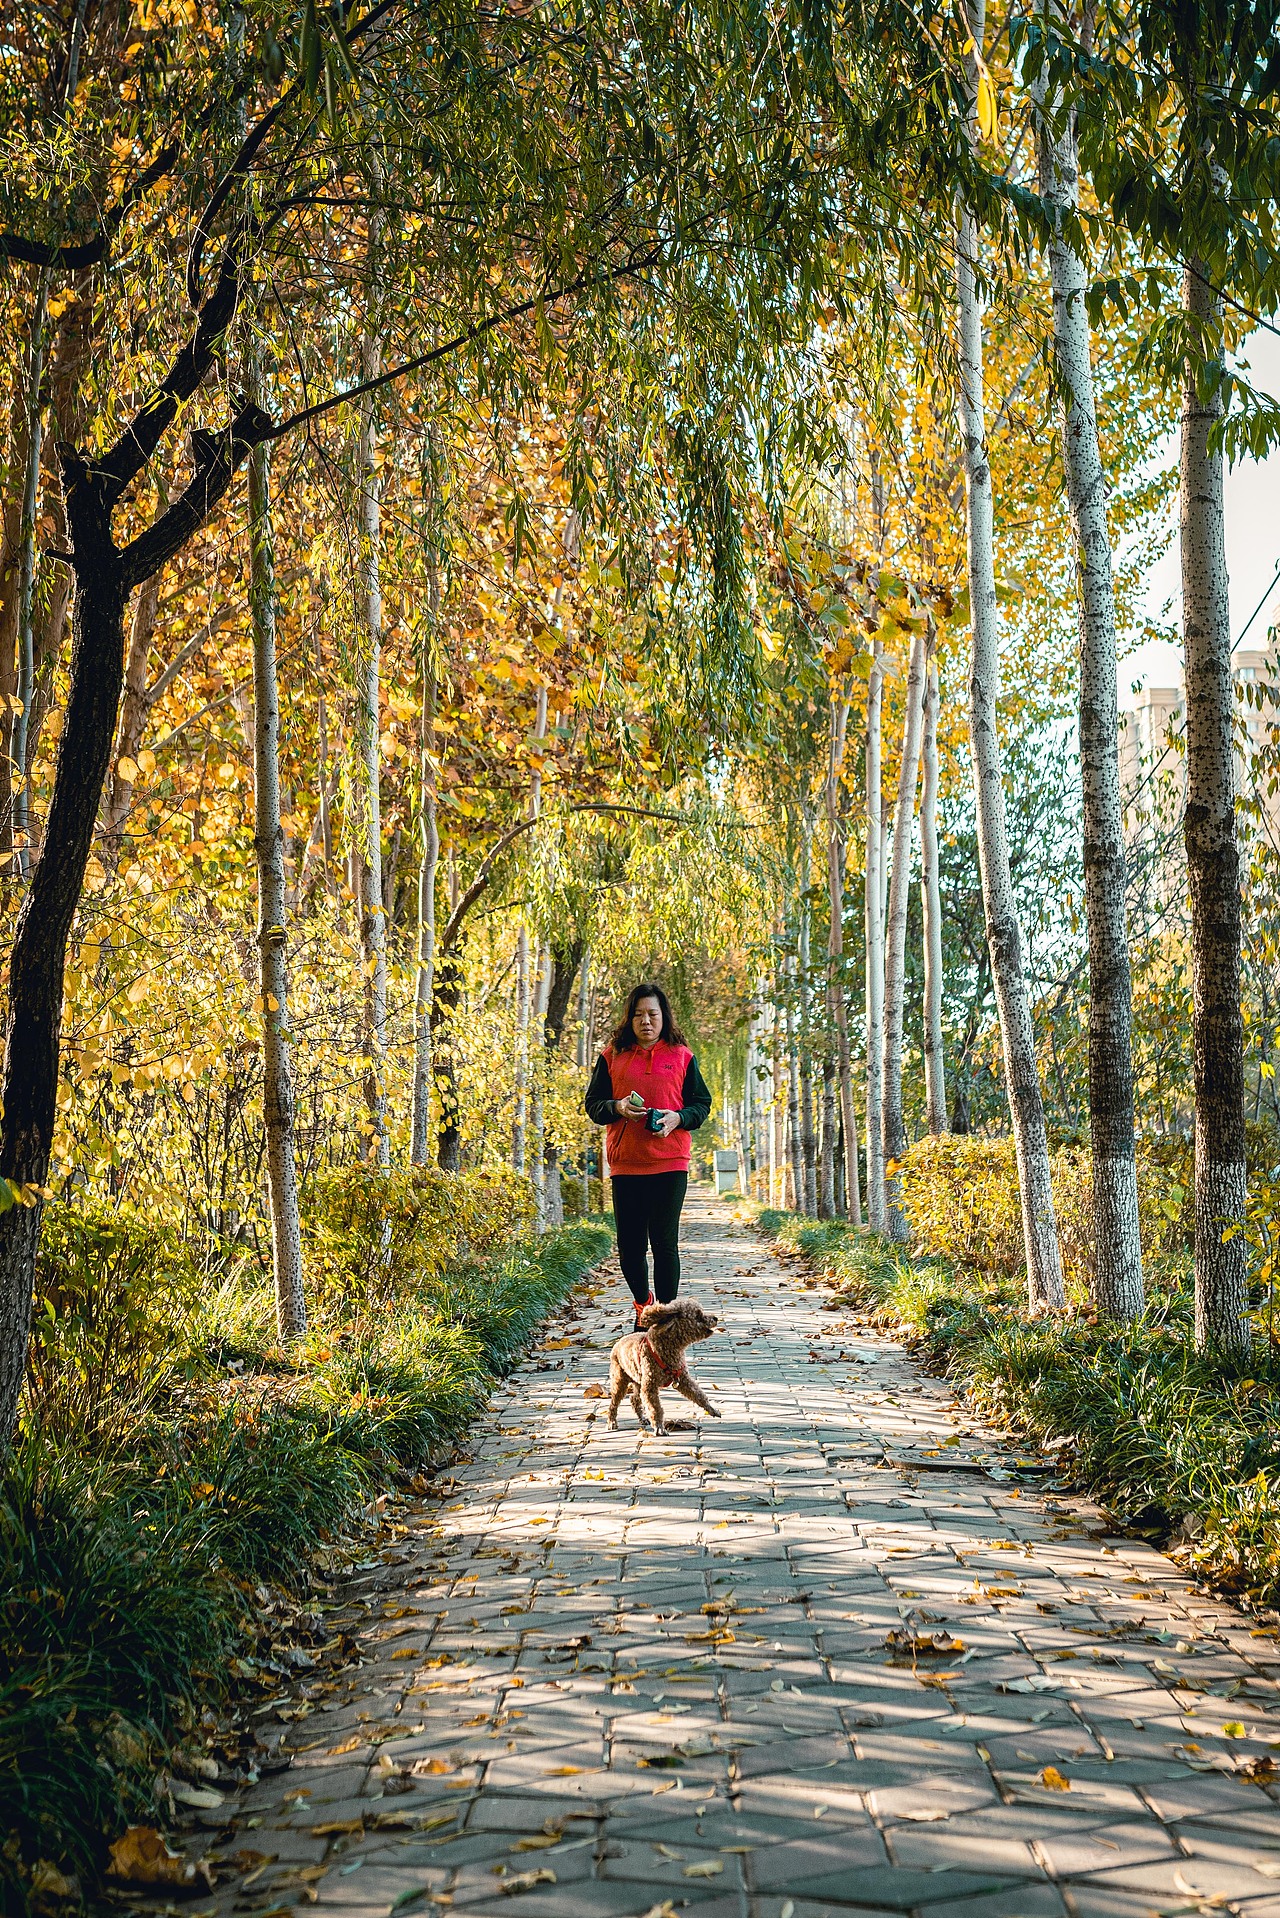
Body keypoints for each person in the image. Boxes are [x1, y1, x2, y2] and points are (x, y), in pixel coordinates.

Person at [584, 982, 712, 1326]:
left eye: (652, 1014)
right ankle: (644, 1304)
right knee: (630, 1246)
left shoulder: (682, 1056)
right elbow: (594, 1106)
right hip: (626, 1165)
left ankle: (666, 1318)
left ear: (663, 1017)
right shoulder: (612, 1055)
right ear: (630, 1018)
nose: (646, 1021)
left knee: (664, 1243)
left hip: (670, 1163)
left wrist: (678, 1118)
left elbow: (701, 1104)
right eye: (638, 1014)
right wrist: (618, 1107)